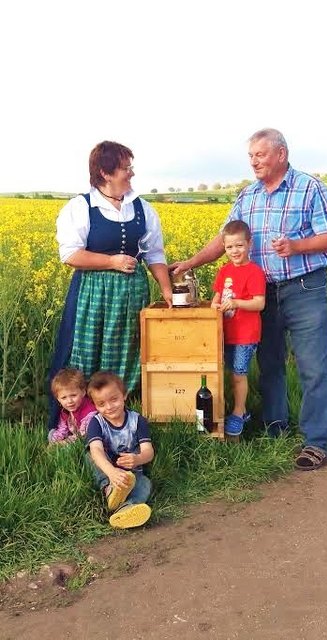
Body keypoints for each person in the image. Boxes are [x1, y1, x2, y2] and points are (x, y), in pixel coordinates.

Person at [171, 128, 327, 470]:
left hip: (304, 287)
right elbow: (225, 240)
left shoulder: (309, 188)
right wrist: (192, 262)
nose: (254, 161)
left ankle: (316, 441)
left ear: (281, 154)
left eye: (260, 155)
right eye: (251, 156)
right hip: (262, 293)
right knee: (269, 365)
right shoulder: (247, 196)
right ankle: (275, 429)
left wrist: (297, 246)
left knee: (313, 367)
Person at [49, 141, 172, 429]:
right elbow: (69, 254)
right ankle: (81, 423)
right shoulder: (81, 207)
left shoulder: (142, 208)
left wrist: (167, 290)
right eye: (125, 168)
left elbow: (154, 253)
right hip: (93, 294)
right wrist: (112, 262)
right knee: (86, 353)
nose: (131, 173)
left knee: (128, 353)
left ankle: (121, 423)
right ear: (105, 172)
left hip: (131, 294)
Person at [211, 220, 266, 437]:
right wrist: (215, 305)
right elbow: (217, 296)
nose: (235, 251)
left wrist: (235, 303)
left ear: (249, 244)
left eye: (239, 246)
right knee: (226, 373)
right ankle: (228, 408)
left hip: (245, 334)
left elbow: (259, 303)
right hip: (226, 332)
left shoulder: (254, 272)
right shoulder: (224, 271)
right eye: (229, 247)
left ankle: (239, 411)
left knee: (238, 374)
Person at [86, 371, 154, 529]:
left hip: (131, 475)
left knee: (145, 483)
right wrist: (111, 472)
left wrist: (138, 459)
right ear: (95, 406)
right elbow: (96, 450)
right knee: (91, 454)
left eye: (114, 400)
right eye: (101, 404)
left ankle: (124, 509)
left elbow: (148, 451)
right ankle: (109, 489)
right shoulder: (96, 422)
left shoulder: (137, 421)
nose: (109, 407)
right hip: (107, 472)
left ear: (124, 395)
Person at [49, 368, 97, 444]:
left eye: (73, 395)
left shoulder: (90, 412)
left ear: (83, 392)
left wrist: (63, 443)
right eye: (64, 398)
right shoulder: (65, 411)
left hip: (88, 438)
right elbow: (62, 429)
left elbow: (83, 435)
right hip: (73, 436)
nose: (69, 401)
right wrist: (55, 441)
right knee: (52, 433)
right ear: (58, 399)